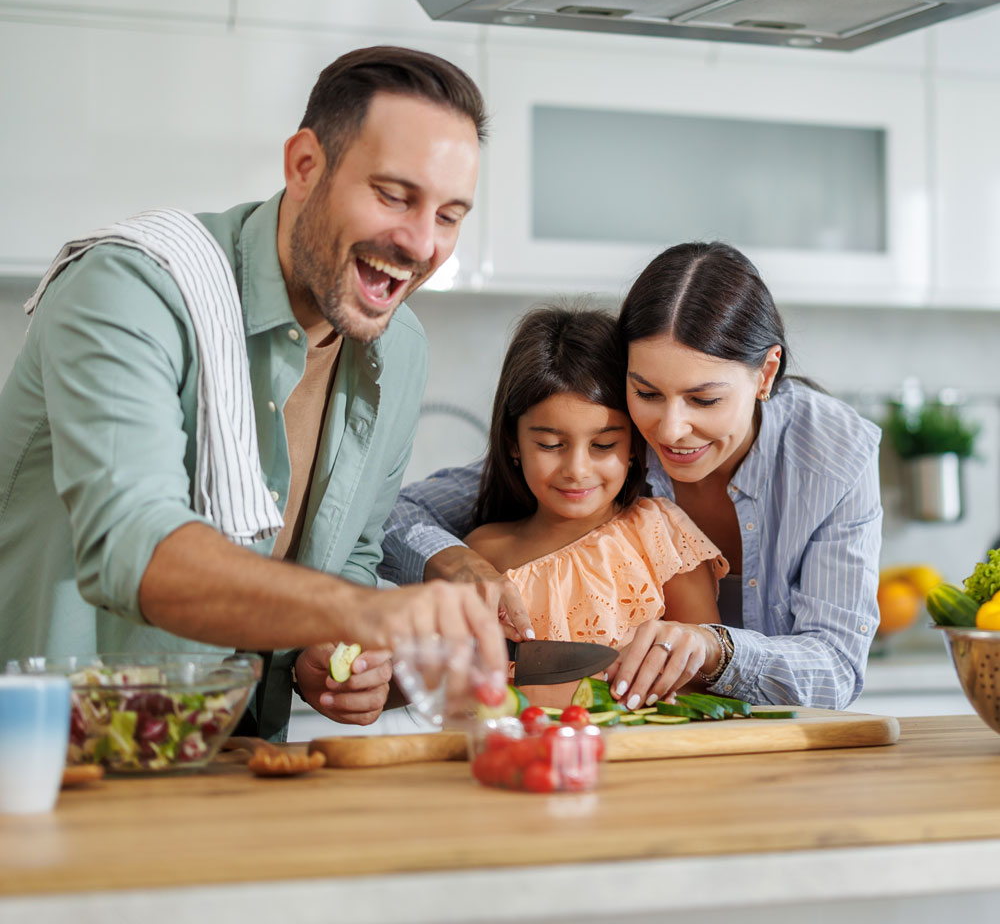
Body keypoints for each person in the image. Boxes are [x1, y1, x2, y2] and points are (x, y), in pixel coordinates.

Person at [0, 45, 506, 740]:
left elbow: (350, 556)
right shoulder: (130, 287)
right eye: (393, 195)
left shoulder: (402, 346)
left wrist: (334, 659)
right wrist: (367, 614)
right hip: (46, 759)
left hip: (234, 764)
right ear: (305, 166)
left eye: (449, 215)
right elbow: (136, 549)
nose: (421, 242)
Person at [381, 242, 882, 710]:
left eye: (704, 399)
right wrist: (456, 564)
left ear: (766, 373)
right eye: (646, 393)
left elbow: (835, 668)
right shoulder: (612, 437)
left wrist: (713, 648)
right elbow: (391, 514)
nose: (669, 430)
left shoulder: (834, 455)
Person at [463, 305, 727, 709]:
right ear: (513, 443)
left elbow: (705, 681)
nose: (577, 470)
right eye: (550, 445)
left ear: (636, 445)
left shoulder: (661, 535)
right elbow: (461, 691)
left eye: (604, 445)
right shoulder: (482, 555)